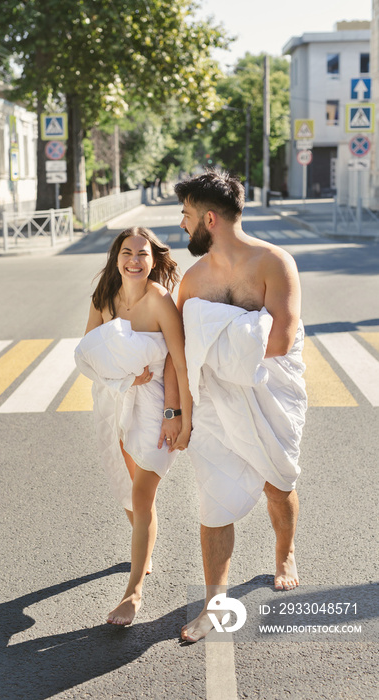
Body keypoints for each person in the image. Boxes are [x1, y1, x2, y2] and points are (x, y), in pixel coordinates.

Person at [174, 170, 307, 643]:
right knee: (213, 506)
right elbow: (183, 354)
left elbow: (281, 340)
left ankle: (284, 551)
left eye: (187, 216)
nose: (183, 225)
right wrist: (179, 415)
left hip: (269, 396)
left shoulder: (273, 263)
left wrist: (221, 344)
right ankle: (214, 604)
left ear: (210, 218)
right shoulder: (191, 282)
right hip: (214, 406)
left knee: (278, 482)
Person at [75, 226, 192, 627]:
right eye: (128, 252)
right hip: (115, 402)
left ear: (154, 260)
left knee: (142, 496)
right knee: (133, 496)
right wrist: (122, 378)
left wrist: (175, 413)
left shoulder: (160, 300)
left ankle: (133, 594)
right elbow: (87, 355)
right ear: (117, 257)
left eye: (143, 254)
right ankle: (146, 551)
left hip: (157, 406)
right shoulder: (103, 298)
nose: (135, 260)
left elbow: (178, 358)